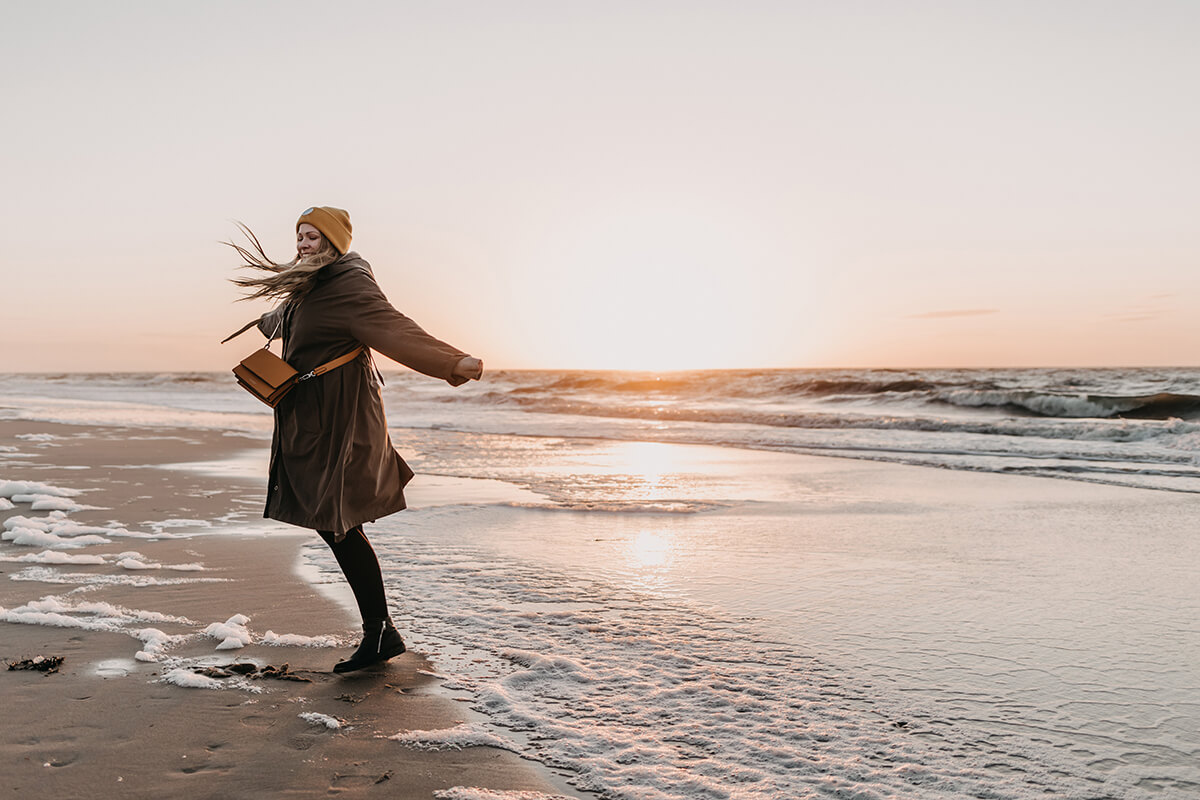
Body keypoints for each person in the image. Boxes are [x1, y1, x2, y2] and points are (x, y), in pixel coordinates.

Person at [226, 206, 483, 673]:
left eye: (312, 236)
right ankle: (380, 631)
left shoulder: (349, 283)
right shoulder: (313, 285)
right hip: (310, 414)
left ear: (334, 241)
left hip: (341, 417)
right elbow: (301, 320)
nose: (302, 244)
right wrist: (271, 320)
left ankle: (380, 633)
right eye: (299, 236)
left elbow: (393, 327)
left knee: (337, 520)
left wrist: (452, 362)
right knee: (333, 521)